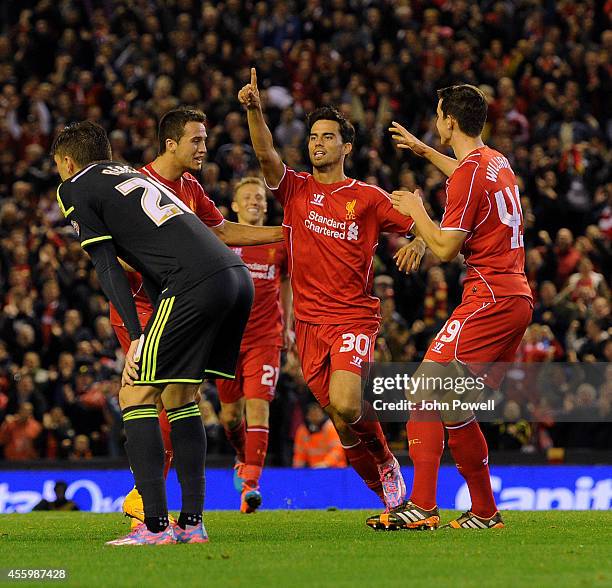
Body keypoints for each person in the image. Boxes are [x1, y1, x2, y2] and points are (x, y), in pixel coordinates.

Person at [52, 121, 255, 545]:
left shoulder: (75, 187)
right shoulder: (128, 174)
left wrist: (137, 333)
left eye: (58, 167)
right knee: (180, 397)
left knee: (135, 394)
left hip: (193, 283)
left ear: (68, 162)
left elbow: (107, 266)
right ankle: (192, 524)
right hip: (236, 279)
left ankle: (155, 526)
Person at [238, 68, 426, 510]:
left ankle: (386, 461)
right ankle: (389, 500)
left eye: (327, 137)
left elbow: (422, 222)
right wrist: (254, 111)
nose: (317, 143)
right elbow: (266, 154)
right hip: (307, 326)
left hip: (353, 317)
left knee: (346, 402)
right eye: (313, 136)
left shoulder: (368, 198)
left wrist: (419, 239)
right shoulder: (296, 189)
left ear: (347, 147)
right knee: (342, 425)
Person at [366, 84, 533, 531]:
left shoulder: (468, 174)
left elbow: (444, 248)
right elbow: (464, 173)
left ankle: (421, 504)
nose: (436, 123)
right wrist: (424, 151)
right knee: (453, 402)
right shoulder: (495, 161)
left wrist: (418, 212)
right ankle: (484, 512)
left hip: (490, 297)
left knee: (422, 388)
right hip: (514, 296)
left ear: (450, 122)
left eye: (439, 116)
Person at [116, 107, 283, 527]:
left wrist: (292, 231)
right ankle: (159, 509)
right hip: (143, 310)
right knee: (148, 398)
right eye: (196, 140)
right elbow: (118, 257)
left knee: (178, 400)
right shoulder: (136, 186)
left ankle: (171, 515)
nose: (205, 148)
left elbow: (223, 231)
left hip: (184, 306)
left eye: (205, 139)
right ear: (170, 143)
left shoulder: (190, 187)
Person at [215, 176, 292, 513]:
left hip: (265, 336)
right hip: (227, 339)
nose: (255, 201)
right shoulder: (221, 239)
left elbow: (287, 284)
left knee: (259, 405)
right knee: (230, 417)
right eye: (247, 196)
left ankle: (251, 485)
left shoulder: (279, 242)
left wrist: (287, 325)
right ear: (234, 205)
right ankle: (241, 457)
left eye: (260, 197)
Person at [293, 403, 347, 469]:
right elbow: (299, 454)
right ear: (307, 416)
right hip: (314, 469)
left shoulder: (330, 427)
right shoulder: (302, 430)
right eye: (312, 414)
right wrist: (296, 472)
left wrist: (326, 463)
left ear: (322, 414)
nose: (315, 416)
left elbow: (337, 450)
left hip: (335, 469)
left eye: (317, 413)